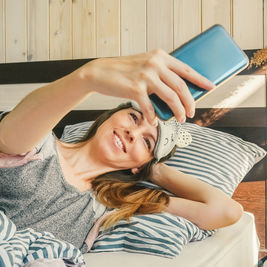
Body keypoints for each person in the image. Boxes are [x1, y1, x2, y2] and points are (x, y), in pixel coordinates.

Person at [0, 49, 243, 252]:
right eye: (134, 118)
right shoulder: (39, 141)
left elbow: (227, 211)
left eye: (147, 142)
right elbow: (7, 137)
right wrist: (87, 78)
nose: (132, 133)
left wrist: (153, 172)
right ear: (112, 115)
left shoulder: (111, 205)